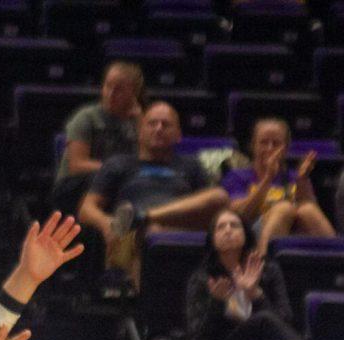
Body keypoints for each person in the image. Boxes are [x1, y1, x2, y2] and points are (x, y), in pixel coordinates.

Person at [79, 101, 230, 289]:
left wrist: (147, 218)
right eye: (152, 123)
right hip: (131, 236)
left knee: (220, 196)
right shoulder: (118, 164)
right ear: (140, 131)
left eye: (166, 124)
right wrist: (105, 223)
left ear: (178, 135)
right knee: (154, 232)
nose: (159, 129)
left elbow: (214, 203)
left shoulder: (191, 166)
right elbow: (86, 208)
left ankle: (144, 217)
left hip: (181, 226)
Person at [184, 208, 301, 340]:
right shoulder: (203, 278)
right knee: (262, 320)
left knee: (265, 321)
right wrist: (217, 303)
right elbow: (198, 338)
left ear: (246, 234)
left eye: (234, 225)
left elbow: (285, 322)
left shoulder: (268, 271)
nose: (228, 230)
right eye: (220, 227)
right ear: (213, 240)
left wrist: (256, 294)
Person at [222, 117, 336, 255]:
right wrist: (268, 178)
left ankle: (337, 265)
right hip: (251, 235)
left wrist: (302, 180)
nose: (270, 148)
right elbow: (240, 216)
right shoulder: (237, 176)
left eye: (276, 143)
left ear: (286, 148)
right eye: (264, 142)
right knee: (284, 208)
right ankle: (263, 267)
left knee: (307, 210)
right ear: (253, 145)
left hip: (293, 235)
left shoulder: (294, 177)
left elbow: (312, 215)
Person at [52, 61, 144, 215]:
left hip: (116, 184)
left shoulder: (137, 122)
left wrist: (141, 121)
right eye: (108, 86)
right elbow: (77, 165)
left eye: (119, 89)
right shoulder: (86, 117)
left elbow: (147, 159)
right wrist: (116, 170)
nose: (111, 94)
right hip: (74, 187)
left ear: (134, 93)